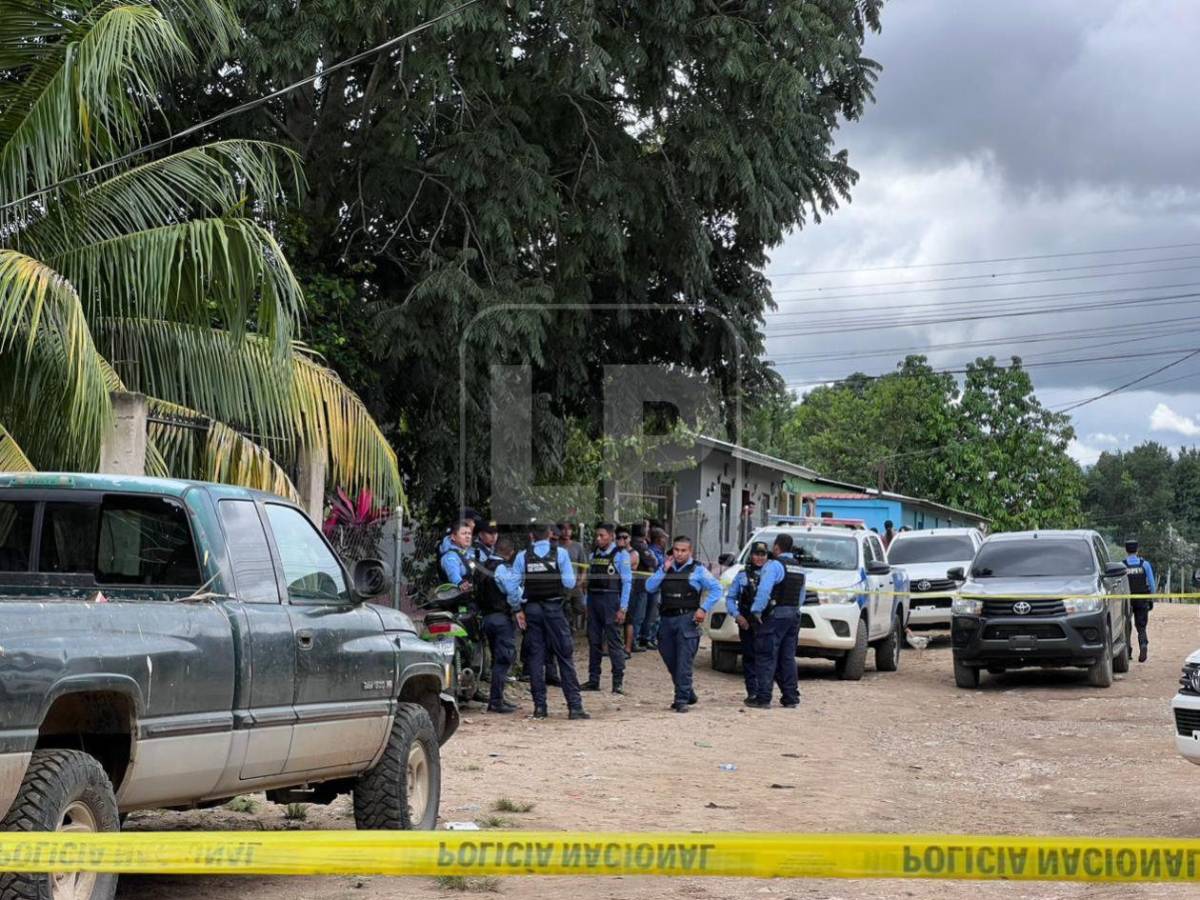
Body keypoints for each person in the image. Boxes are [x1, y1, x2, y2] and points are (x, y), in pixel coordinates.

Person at [514, 524, 590, 719]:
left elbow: (512, 586)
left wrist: (518, 607)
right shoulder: (561, 554)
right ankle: (575, 707)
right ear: (549, 535)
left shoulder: (523, 556)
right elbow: (569, 583)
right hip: (555, 609)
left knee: (536, 659)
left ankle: (540, 708)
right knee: (564, 655)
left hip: (532, 610)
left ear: (531, 536)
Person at [644, 535, 723, 713]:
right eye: (676, 550)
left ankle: (681, 699)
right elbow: (649, 587)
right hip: (666, 620)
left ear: (690, 551)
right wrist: (663, 569)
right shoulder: (666, 568)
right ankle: (688, 693)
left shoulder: (698, 570)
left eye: (683, 551)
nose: (679, 554)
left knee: (684, 662)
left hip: (687, 620)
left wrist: (703, 609)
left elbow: (717, 589)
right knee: (670, 659)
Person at [745, 533, 805, 709]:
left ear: (777, 548)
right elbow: (801, 594)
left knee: (766, 656)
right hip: (793, 615)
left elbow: (764, 590)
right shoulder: (799, 567)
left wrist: (756, 611)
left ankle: (763, 698)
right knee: (787, 658)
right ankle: (790, 697)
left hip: (775, 616)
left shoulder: (775, 566)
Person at [582, 523, 632, 694]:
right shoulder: (593, 554)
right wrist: (587, 603)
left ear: (611, 536)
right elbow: (589, 582)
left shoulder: (621, 555)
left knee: (614, 642)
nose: (598, 538)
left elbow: (626, 582)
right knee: (594, 641)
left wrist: (623, 608)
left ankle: (617, 682)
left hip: (611, 600)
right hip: (594, 600)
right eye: (597, 535)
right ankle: (593, 679)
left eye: (602, 535)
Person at [477, 536, 523, 713]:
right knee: (503, 659)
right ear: (510, 553)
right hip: (500, 618)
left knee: (497, 659)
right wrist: (518, 607)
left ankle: (498, 698)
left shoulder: (483, 565)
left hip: (486, 618)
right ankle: (496, 702)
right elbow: (513, 592)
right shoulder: (502, 569)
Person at [726, 541, 770, 702]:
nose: (759, 558)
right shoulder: (742, 575)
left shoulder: (771, 573)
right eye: (756, 554)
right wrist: (737, 616)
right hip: (746, 622)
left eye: (763, 554)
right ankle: (752, 691)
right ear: (751, 556)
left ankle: (764, 691)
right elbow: (731, 598)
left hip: (766, 622)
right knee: (749, 657)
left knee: (765, 657)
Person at [1124, 538, 1156, 662]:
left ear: (1126, 550)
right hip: (1142, 599)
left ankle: (1127, 651)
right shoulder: (1145, 564)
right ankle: (1143, 644)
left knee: (1126, 625)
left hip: (1127, 600)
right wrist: (1151, 598)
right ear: (1137, 550)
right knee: (1141, 625)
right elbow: (1152, 585)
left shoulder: (1122, 566)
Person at [639, 527, 668, 648]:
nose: (665, 540)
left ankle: (651, 637)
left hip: (660, 586)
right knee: (652, 614)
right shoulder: (652, 551)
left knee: (656, 614)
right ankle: (646, 638)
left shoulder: (660, 552)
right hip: (654, 586)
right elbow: (657, 567)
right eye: (663, 538)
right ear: (658, 539)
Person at [558, 521, 588, 633]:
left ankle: (574, 624)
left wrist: (581, 581)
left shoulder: (577, 546)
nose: (566, 532)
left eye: (569, 529)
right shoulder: (555, 546)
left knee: (580, 607)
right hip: (560, 584)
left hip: (575, 584)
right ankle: (568, 626)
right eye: (563, 529)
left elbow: (584, 566)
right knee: (563, 607)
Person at [628, 525, 652, 653]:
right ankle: (633, 642)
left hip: (637, 584)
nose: (648, 530)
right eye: (647, 527)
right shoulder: (640, 545)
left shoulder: (636, 544)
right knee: (637, 615)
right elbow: (652, 562)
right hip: (639, 584)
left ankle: (633, 641)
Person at [439, 519, 479, 589]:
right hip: (460, 597)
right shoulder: (450, 557)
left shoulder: (468, 551)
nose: (468, 536)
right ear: (453, 537)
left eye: (469, 533)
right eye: (463, 533)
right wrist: (460, 582)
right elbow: (453, 573)